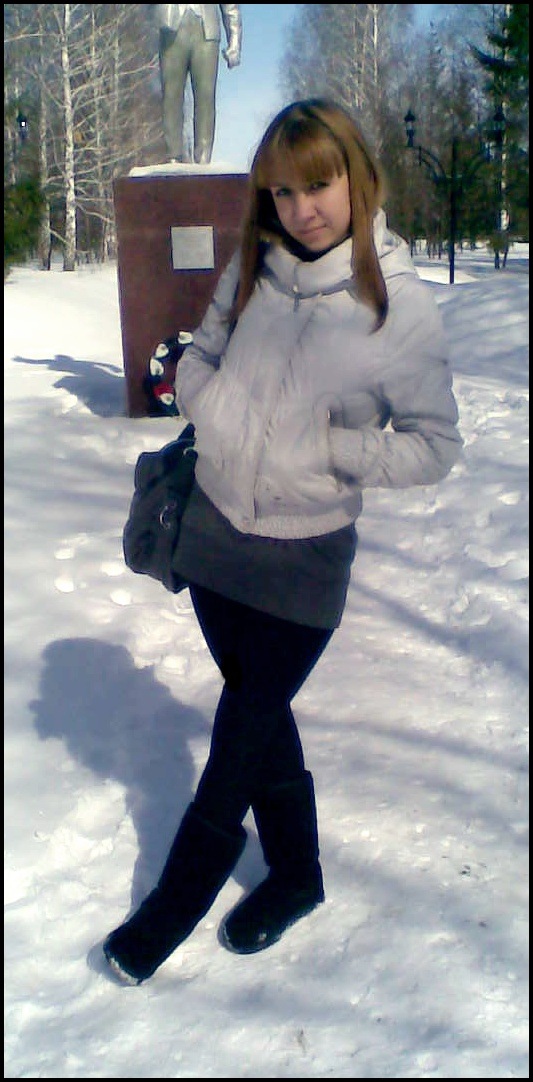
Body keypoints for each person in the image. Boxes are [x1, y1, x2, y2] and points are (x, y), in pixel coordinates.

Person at [103, 98, 463, 984]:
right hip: (217, 530)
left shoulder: (397, 306)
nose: (302, 209)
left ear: (356, 177)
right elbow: (198, 356)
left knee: (242, 729)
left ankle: (176, 900)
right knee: (261, 717)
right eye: (282, 191)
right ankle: (297, 875)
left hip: (305, 555)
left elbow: (433, 446)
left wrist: (328, 450)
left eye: (318, 184)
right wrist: (213, 404)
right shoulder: (252, 267)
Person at [155, 4, 242, 164]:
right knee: (171, 97)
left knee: (205, 97)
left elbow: (231, 7)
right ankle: (173, 155)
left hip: (206, 31)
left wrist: (235, 40)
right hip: (172, 29)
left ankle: (203, 157)